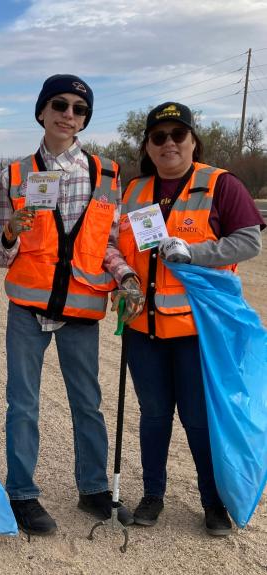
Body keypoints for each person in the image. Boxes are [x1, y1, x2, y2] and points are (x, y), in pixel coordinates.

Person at [0, 74, 144, 537]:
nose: (68, 114)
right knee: (23, 403)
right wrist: (12, 232)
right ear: (42, 111)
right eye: (59, 104)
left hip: (81, 308)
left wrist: (127, 277)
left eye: (79, 108)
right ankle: (22, 494)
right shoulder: (14, 176)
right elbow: (0, 256)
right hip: (28, 309)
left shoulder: (107, 174)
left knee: (88, 403)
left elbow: (109, 245)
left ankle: (94, 488)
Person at [117, 102, 265, 535]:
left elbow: (248, 242)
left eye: (177, 135)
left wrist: (195, 253)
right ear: (147, 144)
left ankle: (213, 502)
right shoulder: (134, 191)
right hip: (143, 329)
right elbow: (116, 246)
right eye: (158, 136)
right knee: (155, 416)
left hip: (197, 331)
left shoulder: (220, 184)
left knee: (199, 419)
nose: (168, 144)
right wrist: (122, 278)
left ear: (193, 140)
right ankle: (152, 495)